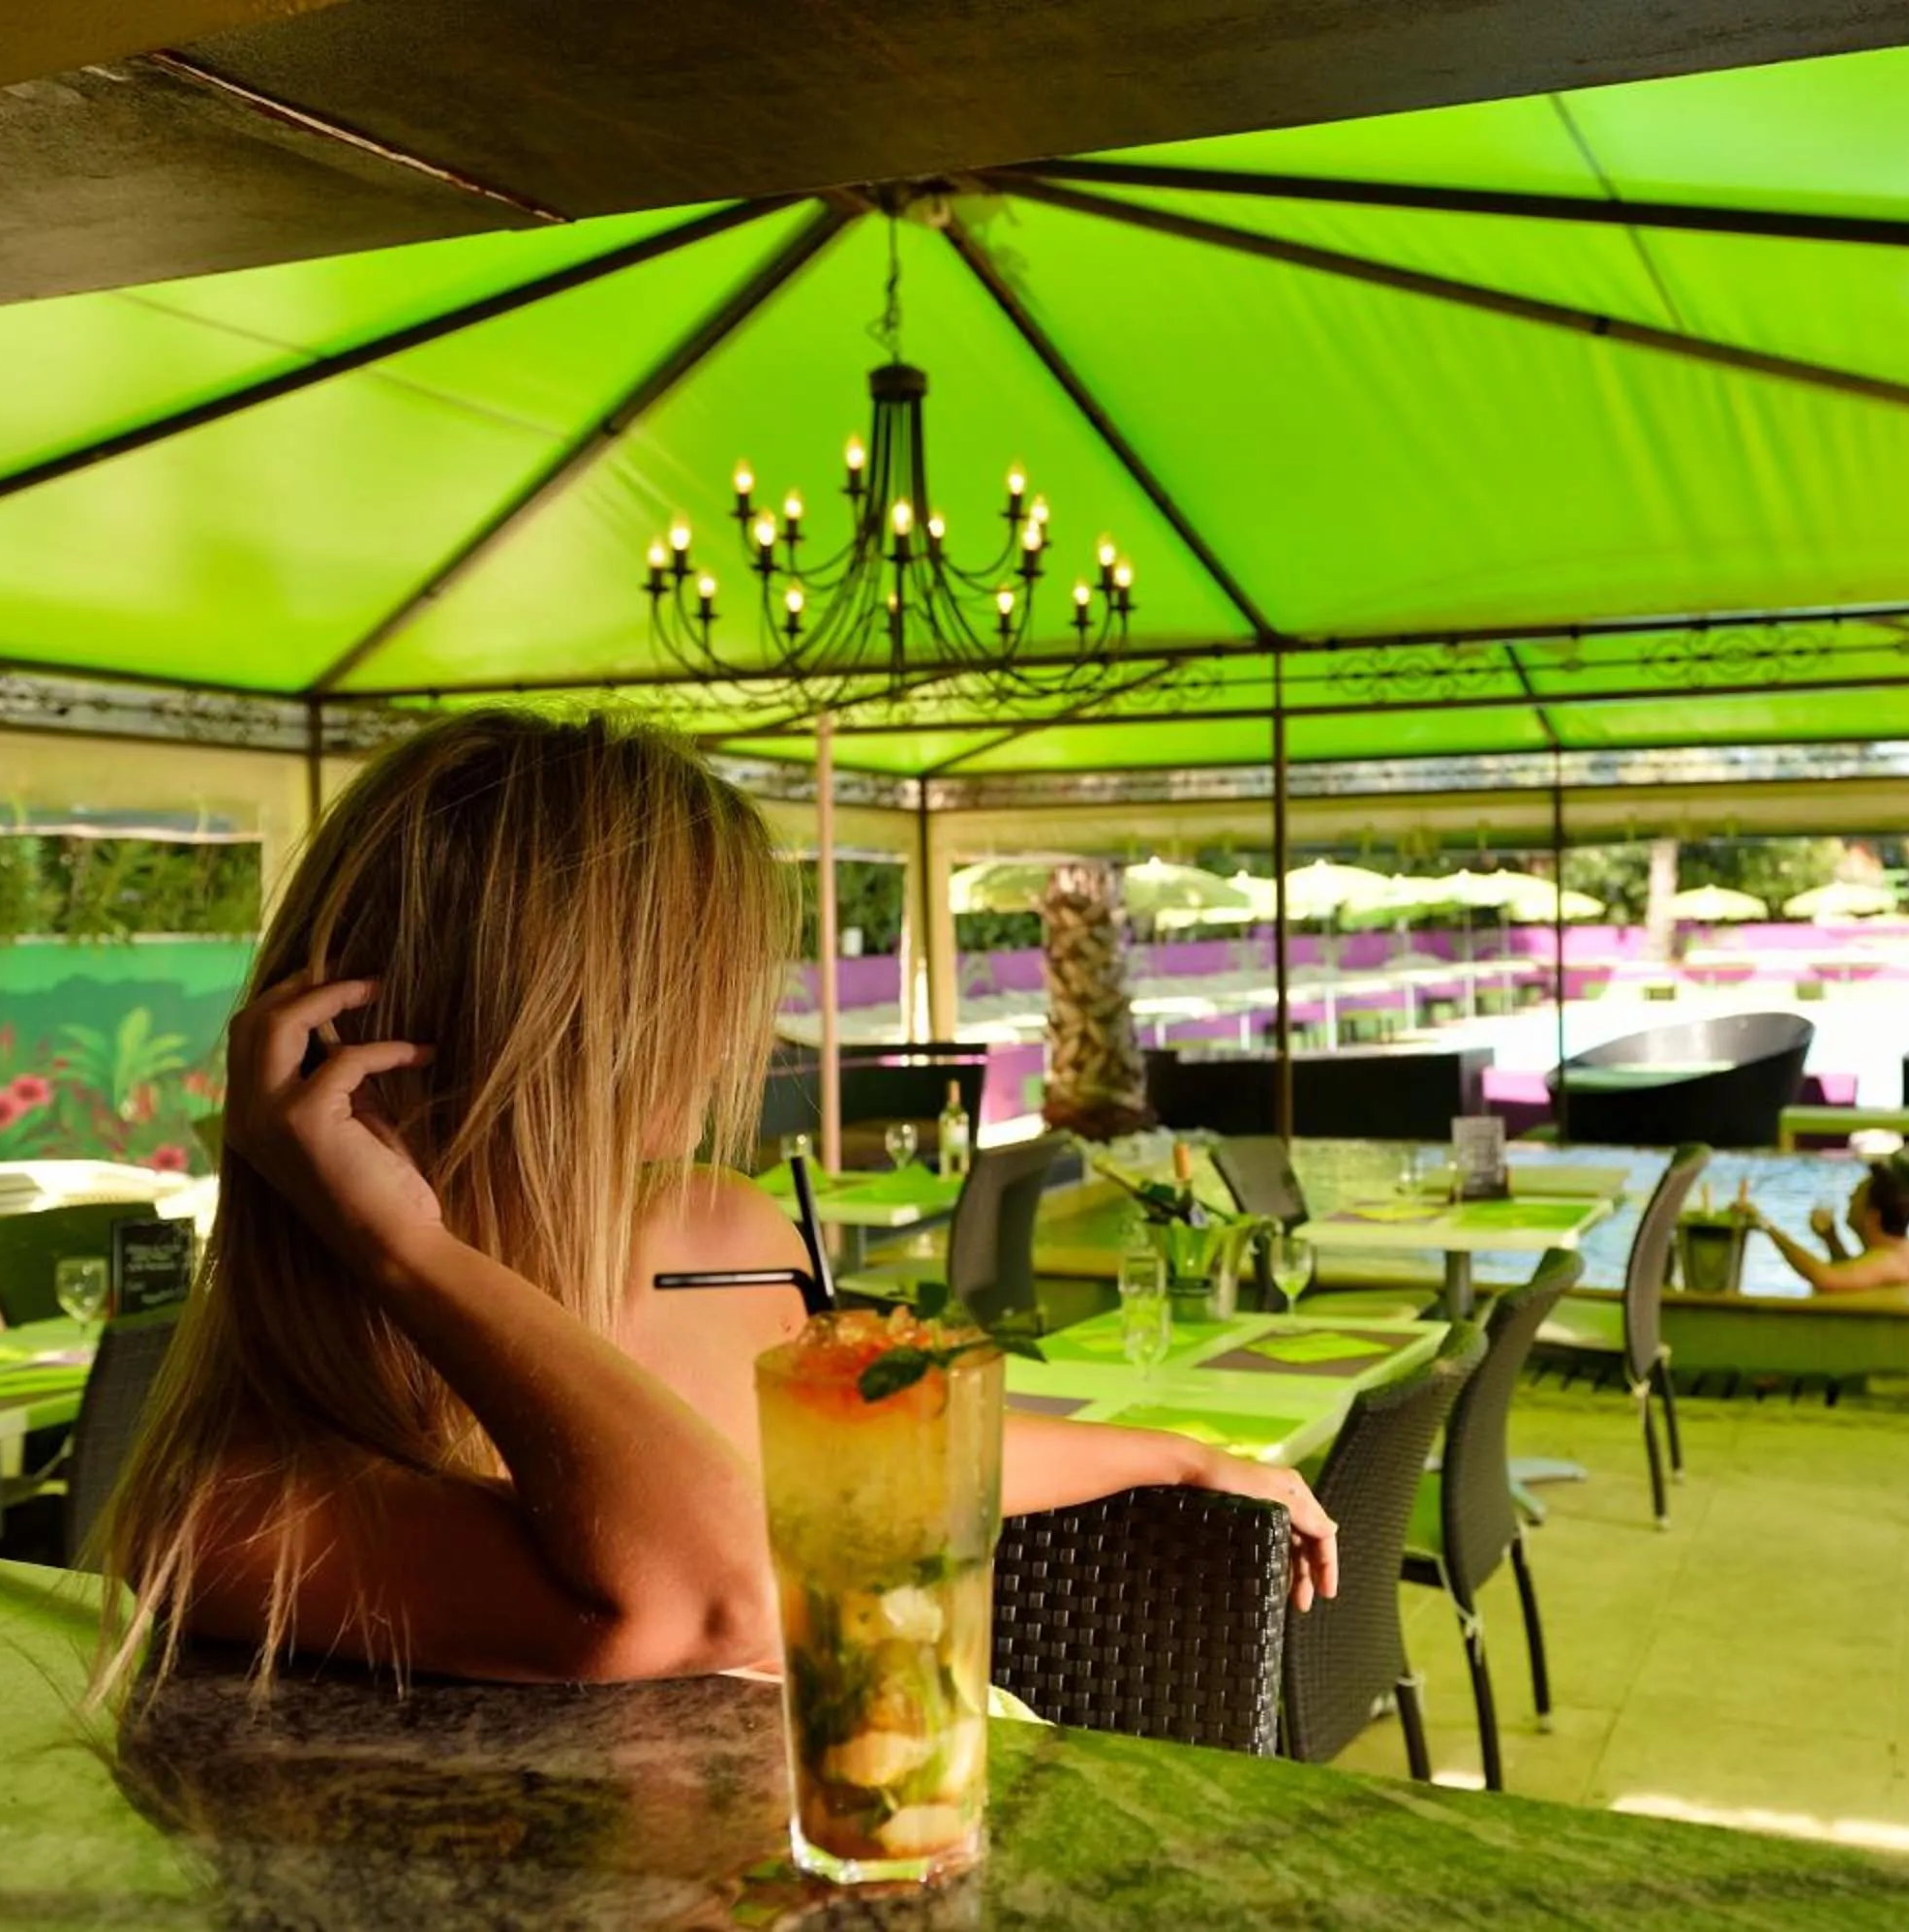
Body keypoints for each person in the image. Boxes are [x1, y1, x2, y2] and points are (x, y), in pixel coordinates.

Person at [93, 710, 1333, 1696]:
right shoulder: (232, 1502)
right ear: (553, 1022)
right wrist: (406, 1251)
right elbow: (717, 1590)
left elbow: (882, 1453)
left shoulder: (711, 1237)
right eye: (693, 980)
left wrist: (1183, 1456)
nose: (735, 1027)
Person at [1761, 1164, 1909, 1296]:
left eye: (1856, 1195)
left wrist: (1765, 1225)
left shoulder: (1888, 1261)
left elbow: (1825, 1278)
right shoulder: (1900, 1250)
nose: (1849, 1198)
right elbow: (1851, 1275)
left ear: (1873, 1217)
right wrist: (1831, 1238)